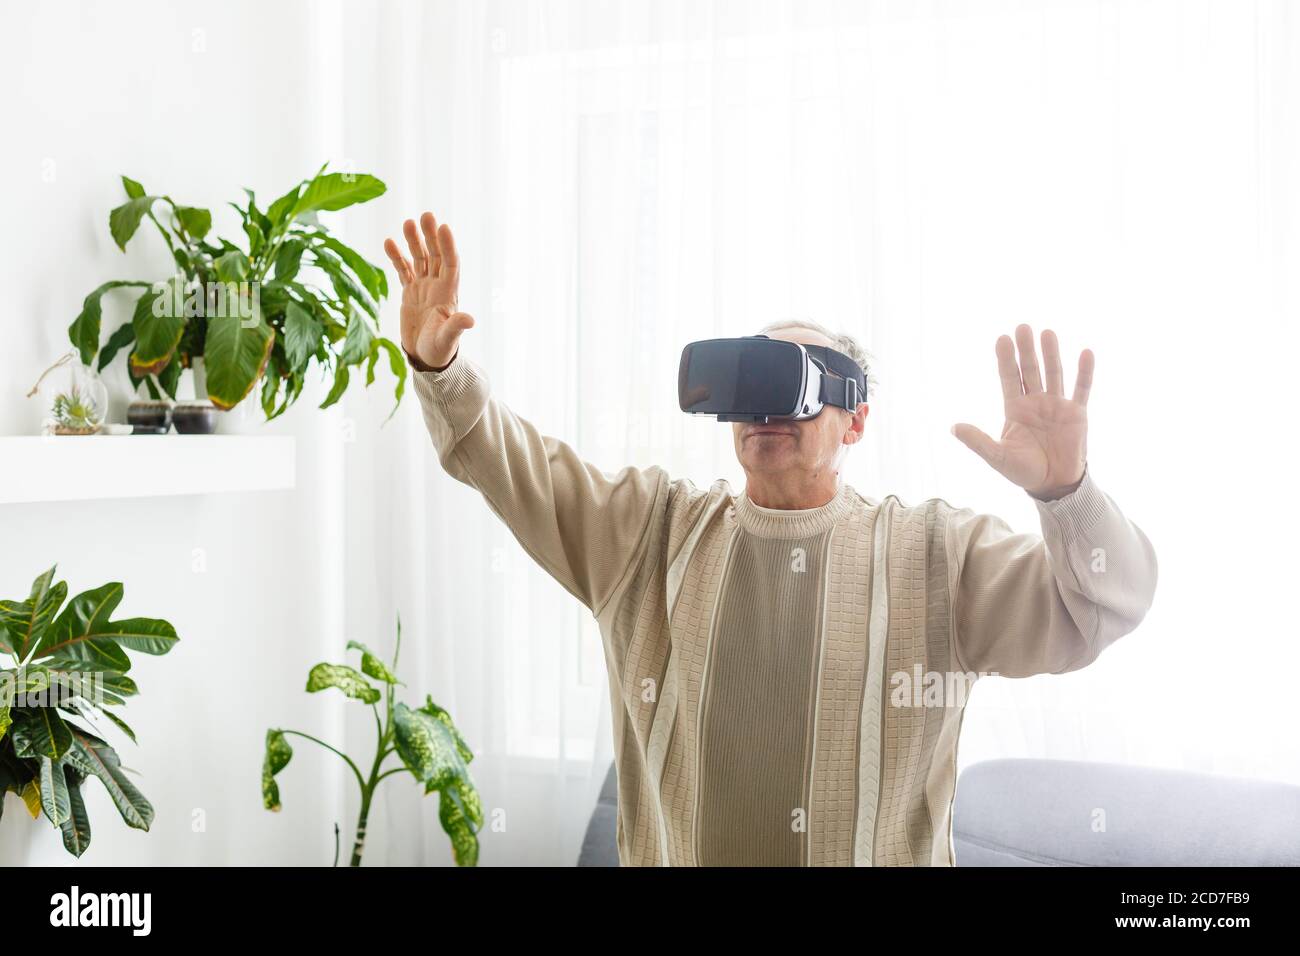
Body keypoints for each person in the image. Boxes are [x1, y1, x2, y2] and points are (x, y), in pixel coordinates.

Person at [383, 211, 1158, 867]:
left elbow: (1102, 606)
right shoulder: (648, 533)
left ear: (856, 417)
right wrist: (439, 365)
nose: (765, 404)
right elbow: (506, 461)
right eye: (748, 380)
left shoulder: (935, 555)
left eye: (795, 379)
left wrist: (1066, 493)